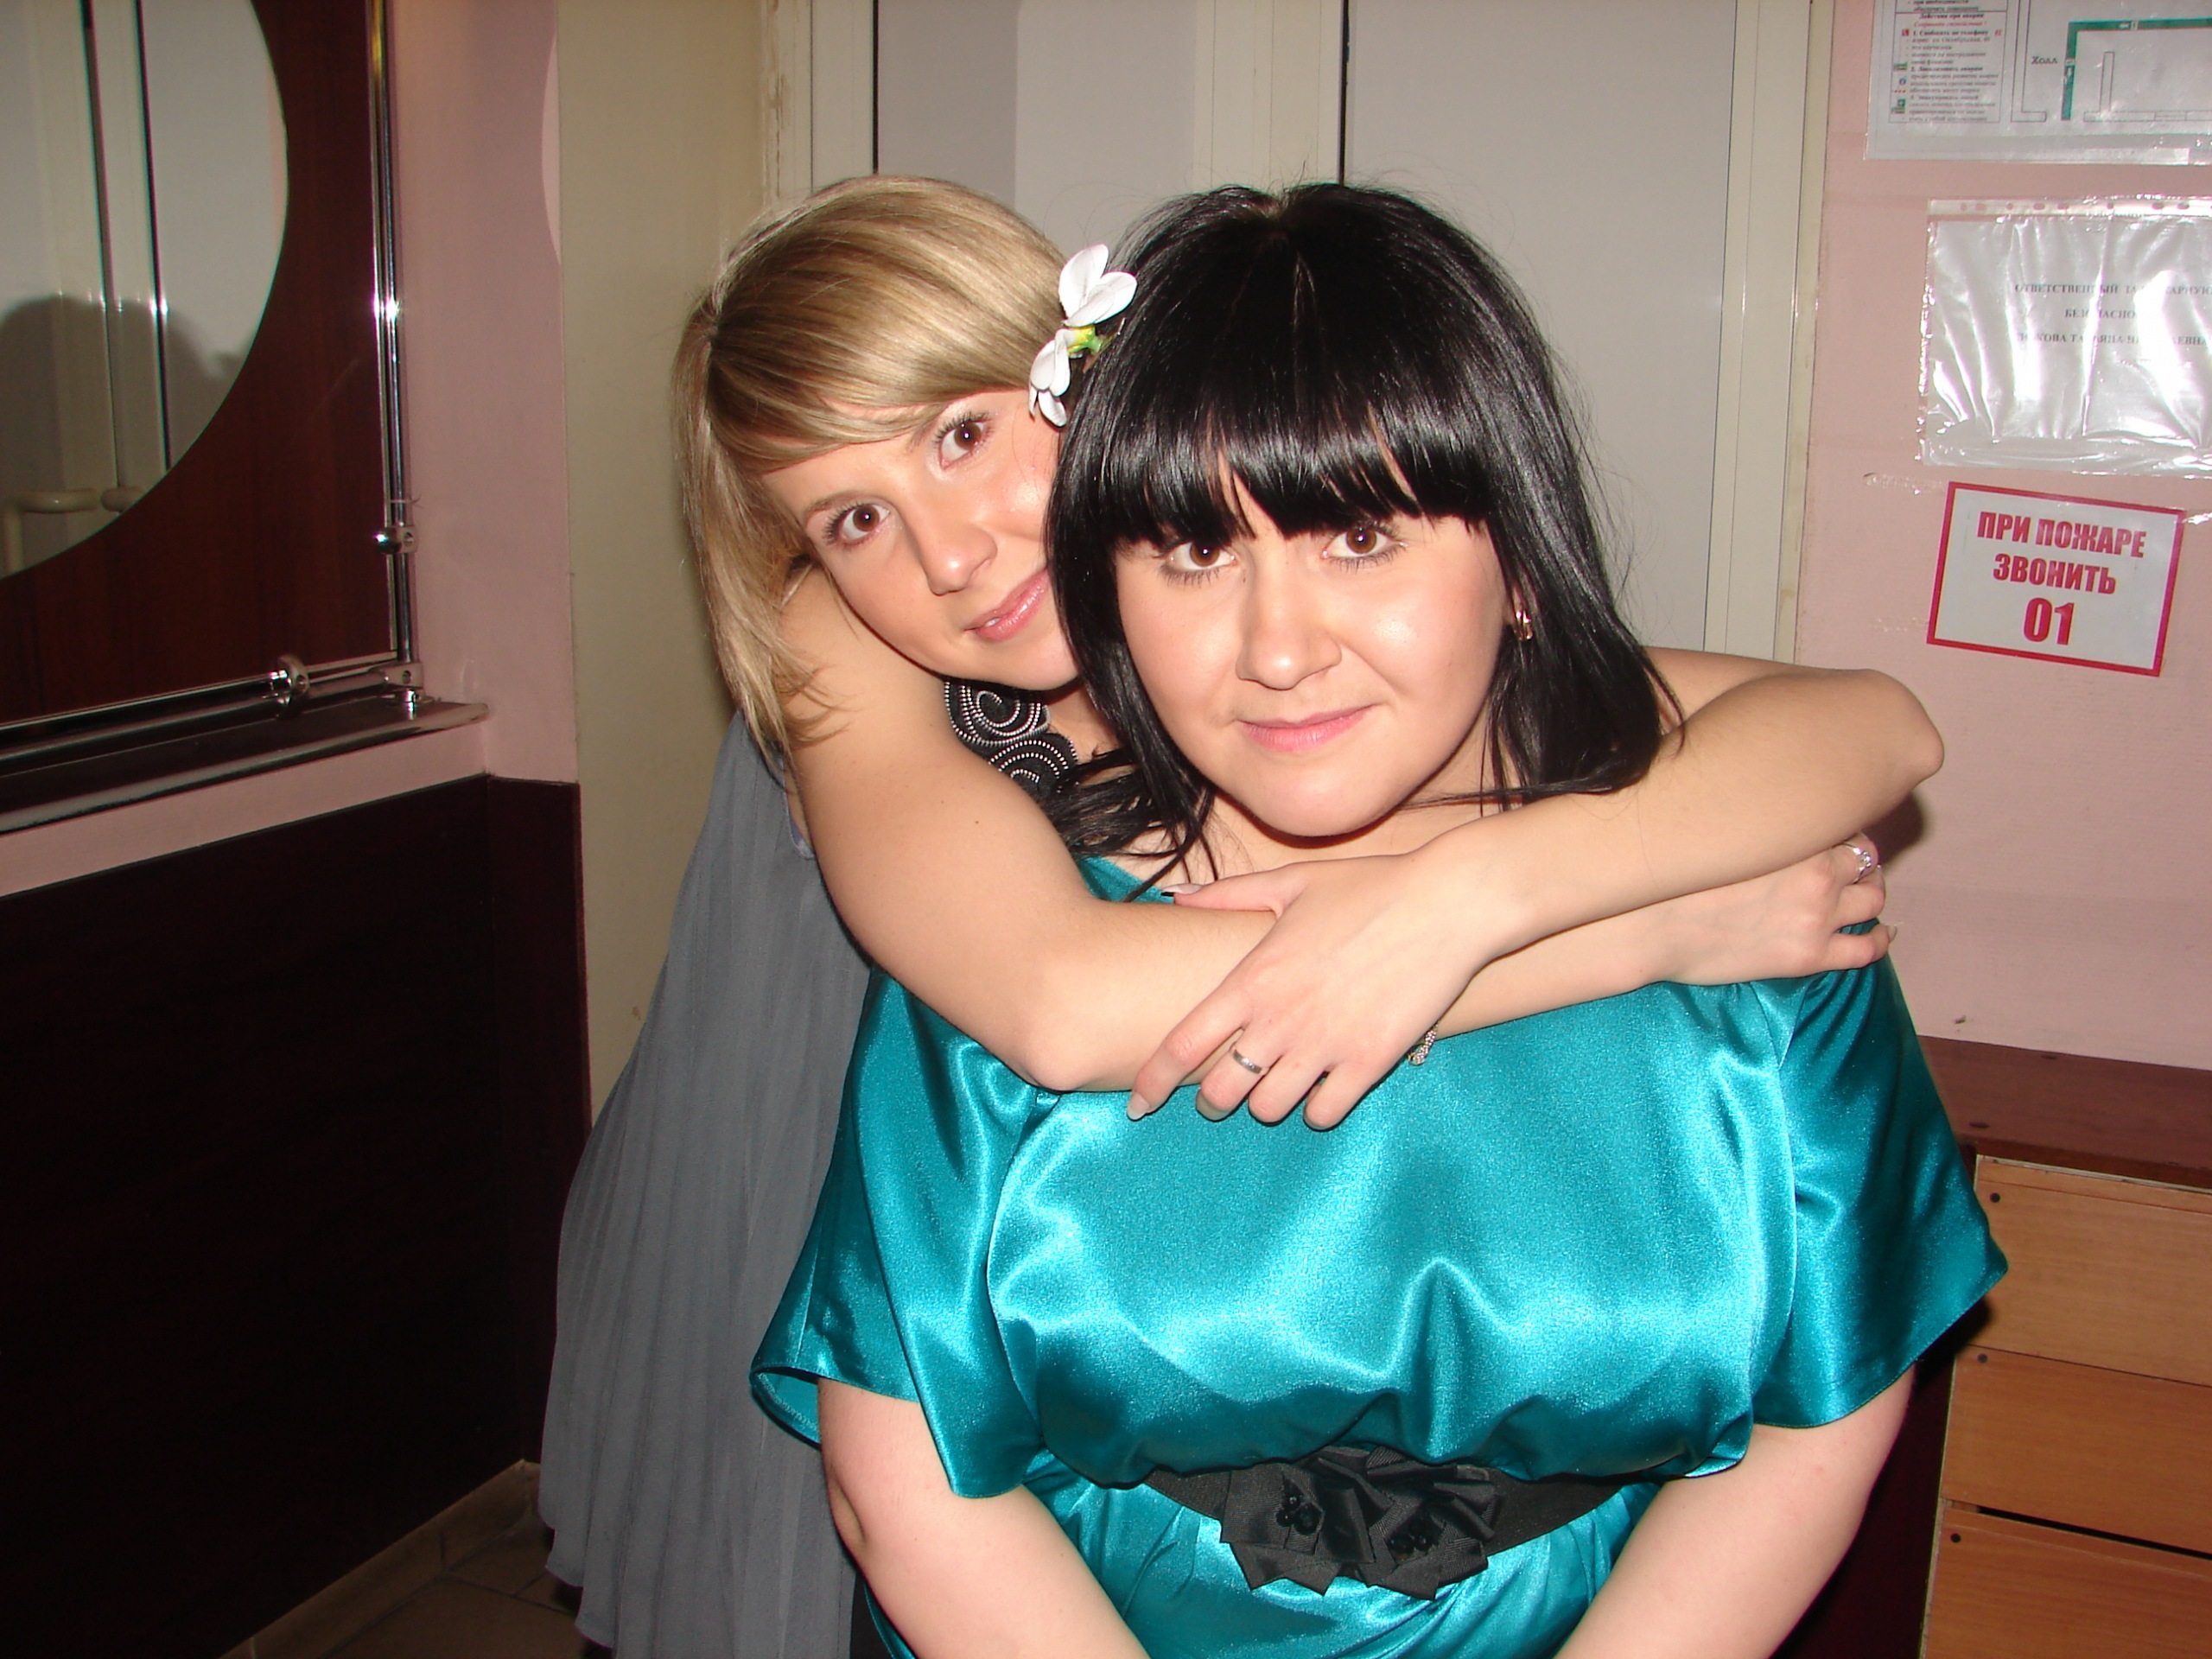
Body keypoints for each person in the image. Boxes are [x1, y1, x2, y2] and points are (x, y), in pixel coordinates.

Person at [545, 177, 1941, 1657]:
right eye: (854, 519)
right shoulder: (854, 645)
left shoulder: (1349, 606)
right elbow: (1060, 1004)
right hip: (964, 1048)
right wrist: (1630, 934)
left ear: (1091, 377)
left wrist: (1489, 882)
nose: (948, 555)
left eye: (963, 436)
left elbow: (1869, 727)